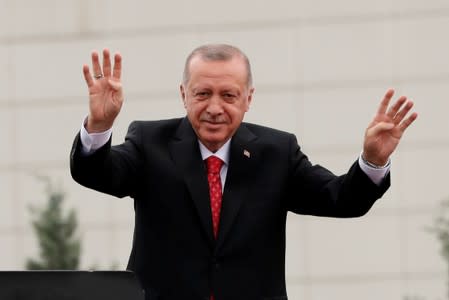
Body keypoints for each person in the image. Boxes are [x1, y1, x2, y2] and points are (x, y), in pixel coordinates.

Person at [70, 44, 417, 300]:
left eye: (229, 95)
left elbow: (341, 199)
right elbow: (98, 173)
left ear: (248, 98)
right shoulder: (150, 142)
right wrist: (99, 127)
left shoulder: (277, 153)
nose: (215, 108)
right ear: (184, 95)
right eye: (202, 94)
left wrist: (372, 161)